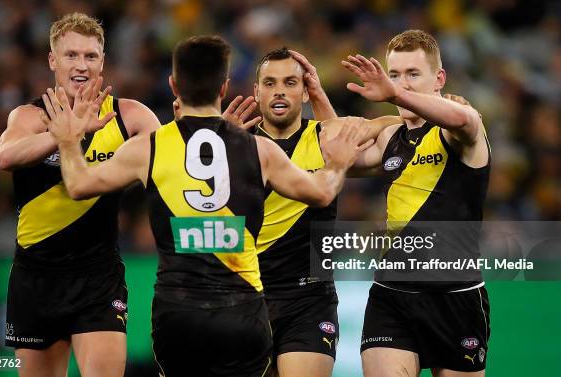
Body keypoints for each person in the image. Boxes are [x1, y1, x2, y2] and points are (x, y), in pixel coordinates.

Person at [39, 35, 371, 377]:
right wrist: (338, 164)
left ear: (173, 85)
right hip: (242, 311)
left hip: (178, 312)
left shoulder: (150, 147)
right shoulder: (258, 149)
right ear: (224, 87)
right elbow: (321, 193)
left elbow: (78, 185)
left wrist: (67, 140)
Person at [0, 12, 160, 377]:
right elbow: (5, 156)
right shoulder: (29, 117)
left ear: (102, 62)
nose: (81, 65)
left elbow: (172, 159)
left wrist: (212, 130)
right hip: (35, 277)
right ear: (53, 61)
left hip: (98, 278)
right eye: (71, 56)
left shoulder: (128, 116)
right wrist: (65, 133)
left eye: (90, 56)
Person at [238, 47, 401, 377]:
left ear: (305, 90)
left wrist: (432, 106)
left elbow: (402, 126)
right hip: (243, 297)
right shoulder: (234, 146)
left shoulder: (329, 138)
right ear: (256, 92)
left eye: (289, 82)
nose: (279, 90)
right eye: (269, 83)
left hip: (309, 299)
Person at [342, 29, 491, 377]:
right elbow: (336, 156)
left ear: (439, 79)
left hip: (455, 295)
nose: (401, 84)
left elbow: (465, 121)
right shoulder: (392, 137)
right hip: (391, 293)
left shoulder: (459, 127)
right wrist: (318, 96)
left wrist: (394, 93)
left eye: (413, 74)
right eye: (394, 74)